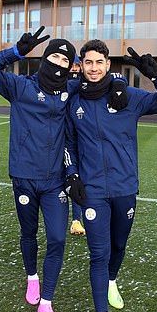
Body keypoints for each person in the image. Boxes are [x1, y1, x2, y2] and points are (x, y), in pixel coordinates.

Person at [64, 40, 157, 312]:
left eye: (98, 62)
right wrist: (72, 172)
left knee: (119, 245)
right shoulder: (74, 99)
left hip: (125, 187)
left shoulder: (127, 96)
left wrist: (154, 75)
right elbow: (70, 142)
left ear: (107, 64)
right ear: (81, 65)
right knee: (98, 254)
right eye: (87, 62)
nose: (93, 68)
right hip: (93, 191)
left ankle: (112, 280)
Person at [0, 26, 77, 312]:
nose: (58, 66)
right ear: (44, 59)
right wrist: (16, 52)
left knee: (58, 238)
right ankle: (32, 276)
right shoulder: (19, 87)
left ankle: (46, 303)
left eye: (65, 62)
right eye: (55, 58)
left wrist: (119, 84)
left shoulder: (70, 90)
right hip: (23, 177)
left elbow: (98, 80)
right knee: (29, 232)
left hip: (55, 182)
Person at [68, 57, 86, 237]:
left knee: (77, 179)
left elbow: (116, 77)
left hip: (79, 138)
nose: (74, 69)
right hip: (59, 138)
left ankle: (76, 219)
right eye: (71, 65)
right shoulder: (58, 82)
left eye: (76, 65)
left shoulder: (85, 82)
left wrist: (119, 81)